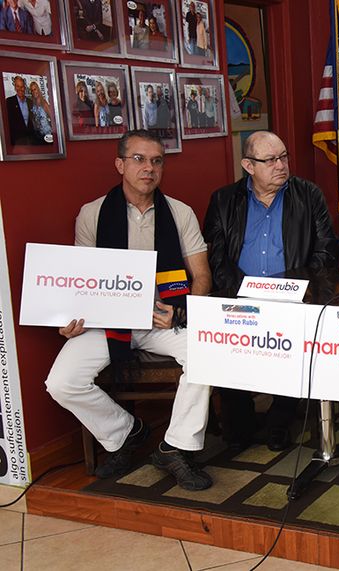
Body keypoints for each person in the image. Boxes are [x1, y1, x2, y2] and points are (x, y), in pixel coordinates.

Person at [44, 129, 215, 491]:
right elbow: (82, 279)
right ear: (120, 164)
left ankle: (175, 447)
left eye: (156, 161)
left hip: (161, 319)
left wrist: (181, 313)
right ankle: (125, 432)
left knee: (207, 354)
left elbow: (202, 276)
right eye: (138, 159)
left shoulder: (179, 213)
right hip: (109, 322)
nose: (148, 168)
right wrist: (69, 319)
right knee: (60, 382)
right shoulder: (92, 214)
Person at [203, 130, 339, 451]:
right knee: (227, 349)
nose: (281, 165)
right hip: (239, 297)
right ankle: (241, 424)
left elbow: (325, 250)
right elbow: (216, 256)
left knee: (291, 345)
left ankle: (279, 421)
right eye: (270, 160)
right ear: (248, 166)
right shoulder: (224, 200)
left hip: (293, 297)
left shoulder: (308, 195)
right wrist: (240, 293)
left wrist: (296, 288)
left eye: (283, 157)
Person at [4, 75, 37, 146]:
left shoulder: (30, 102)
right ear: (15, 87)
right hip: (16, 142)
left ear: (24, 87)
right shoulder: (9, 102)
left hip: (31, 141)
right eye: (17, 86)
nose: (20, 89)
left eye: (22, 86)